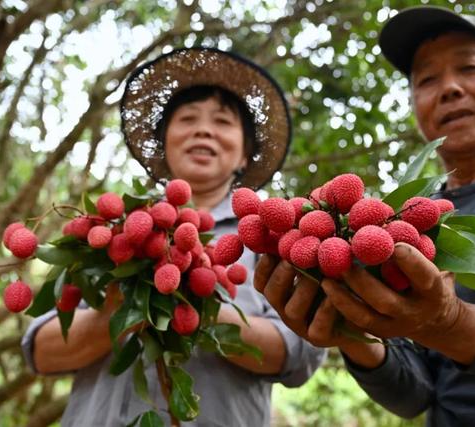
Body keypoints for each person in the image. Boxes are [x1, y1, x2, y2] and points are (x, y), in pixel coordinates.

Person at [254, 5, 475, 426]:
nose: (449, 88)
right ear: (415, 105)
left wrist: (449, 322)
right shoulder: (402, 224)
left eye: (470, 68)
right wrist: (354, 333)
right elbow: (417, 396)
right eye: (427, 79)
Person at [22, 47, 326, 426]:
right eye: (187, 118)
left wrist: (202, 306)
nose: (204, 129)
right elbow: (39, 351)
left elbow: (300, 354)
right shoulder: (116, 229)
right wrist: (121, 311)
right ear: (165, 143)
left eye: (222, 121)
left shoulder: (273, 239)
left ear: (245, 155)